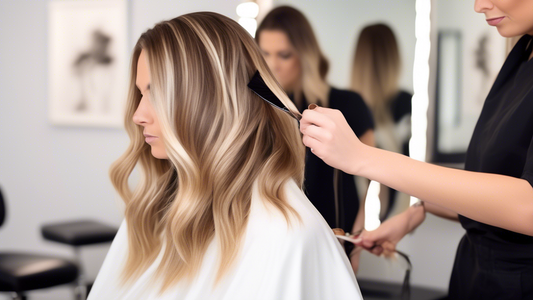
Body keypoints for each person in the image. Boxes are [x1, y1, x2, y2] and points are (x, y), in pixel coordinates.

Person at [86, 12, 362, 300]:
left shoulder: (285, 237)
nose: (137, 116)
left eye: (157, 93)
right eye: (140, 93)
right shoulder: (149, 214)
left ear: (213, 100)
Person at [299, 0, 533, 298]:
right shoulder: (521, 55)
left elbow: (528, 207)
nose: (479, 5)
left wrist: (362, 157)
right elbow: (496, 189)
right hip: (474, 275)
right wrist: (417, 212)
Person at [255, 6, 375, 274]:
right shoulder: (255, 110)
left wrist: (357, 235)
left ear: (304, 55)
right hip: (272, 245)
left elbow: (376, 178)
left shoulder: (346, 104)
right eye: (264, 53)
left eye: (284, 55)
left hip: (334, 240)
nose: (272, 64)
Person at [351, 23, 412, 220]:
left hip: (353, 219)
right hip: (393, 213)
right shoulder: (406, 103)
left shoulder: (345, 106)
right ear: (393, 58)